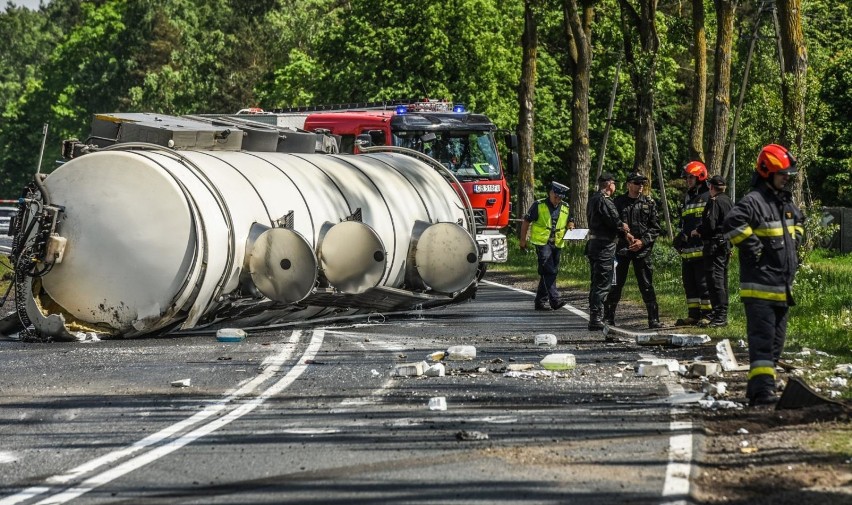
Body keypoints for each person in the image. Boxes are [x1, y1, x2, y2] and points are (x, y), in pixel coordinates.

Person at [723, 144, 804, 406]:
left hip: (782, 287)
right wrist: (754, 248)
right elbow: (732, 223)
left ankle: (761, 387)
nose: (787, 178)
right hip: (759, 287)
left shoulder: (785, 202)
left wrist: (796, 242)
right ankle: (761, 393)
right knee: (763, 343)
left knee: (776, 344)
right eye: (783, 174)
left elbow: (799, 223)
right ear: (767, 172)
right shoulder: (753, 201)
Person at [606, 171, 663, 329]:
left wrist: (642, 242)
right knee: (616, 284)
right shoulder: (618, 202)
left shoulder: (649, 203)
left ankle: (653, 319)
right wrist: (625, 235)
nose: (640, 186)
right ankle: (609, 318)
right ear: (629, 184)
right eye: (637, 183)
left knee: (646, 284)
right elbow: (613, 224)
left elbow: (655, 228)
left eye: (642, 184)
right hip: (622, 248)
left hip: (642, 250)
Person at [586, 172, 632, 331]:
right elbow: (614, 220)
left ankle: (595, 315)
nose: (615, 187)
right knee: (603, 282)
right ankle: (596, 317)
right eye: (614, 183)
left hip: (595, 244)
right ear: (609, 184)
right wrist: (623, 226)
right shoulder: (604, 200)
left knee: (596, 280)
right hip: (604, 247)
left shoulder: (593, 199)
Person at [519, 181, 573, 310]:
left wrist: (571, 226)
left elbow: (570, 221)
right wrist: (523, 240)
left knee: (548, 272)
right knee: (549, 270)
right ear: (551, 193)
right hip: (542, 242)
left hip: (558, 243)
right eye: (556, 197)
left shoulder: (565, 206)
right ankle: (555, 300)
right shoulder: (539, 205)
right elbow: (526, 222)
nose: (557, 200)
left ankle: (540, 301)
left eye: (560, 198)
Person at [674, 161, 712, 325]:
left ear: (700, 177)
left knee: (703, 284)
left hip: (702, 249)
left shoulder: (708, 196)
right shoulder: (689, 197)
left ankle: (708, 315)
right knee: (689, 284)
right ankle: (693, 314)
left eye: (691, 177)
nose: (688, 180)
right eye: (687, 177)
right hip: (688, 249)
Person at [693, 174, 734, 327]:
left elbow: (710, 225)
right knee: (722, 281)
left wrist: (698, 231)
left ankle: (720, 316)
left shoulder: (715, 202)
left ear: (711, 187)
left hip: (714, 246)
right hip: (725, 245)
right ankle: (720, 315)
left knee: (715, 281)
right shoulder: (729, 201)